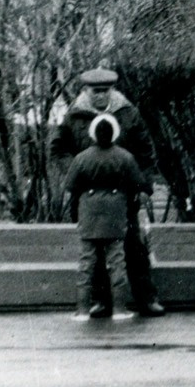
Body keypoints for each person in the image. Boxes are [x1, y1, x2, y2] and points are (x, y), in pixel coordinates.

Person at [49, 67, 165, 317]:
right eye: (95, 91)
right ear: (85, 91)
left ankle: (146, 298)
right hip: (88, 195)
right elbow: (58, 148)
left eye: (105, 91)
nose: (101, 96)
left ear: (112, 90)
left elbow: (146, 151)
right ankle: (101, 301)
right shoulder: (74, 116)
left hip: (126, 193)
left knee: (134, 246)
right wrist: (78, 170)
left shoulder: (128, 113)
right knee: (95, 250)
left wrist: (145, 186)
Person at [65, 114, 143, 320]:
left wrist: (76, 215)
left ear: (93, 134)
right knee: (117, 261)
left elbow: (72, 188)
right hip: (116, 212)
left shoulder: (81, 158)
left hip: (89, 213)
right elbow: (138, 185)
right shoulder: (125, 156)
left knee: (86, 262)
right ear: (114, 133)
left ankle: (82, 311)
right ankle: (119, 309)